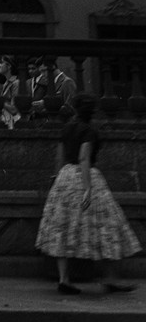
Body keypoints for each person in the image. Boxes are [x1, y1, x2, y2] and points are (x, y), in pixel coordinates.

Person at [36, 92, 140, 295]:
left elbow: (60, 157)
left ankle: (63, 279)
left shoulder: (66, 129)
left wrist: (57, 180)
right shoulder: (90, 131)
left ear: (75, 110)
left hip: (65, 177)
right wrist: (87, 189)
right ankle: (109, 278)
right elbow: (84, 158)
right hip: (86, 177)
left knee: (63, 228)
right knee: (106, 226)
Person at [0, 56, 20, 130]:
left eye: (1, 63)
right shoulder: (6, 83)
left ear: (9, 66)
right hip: (6, 121)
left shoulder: (16, 83)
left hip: (14, 123)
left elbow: (14, 109)